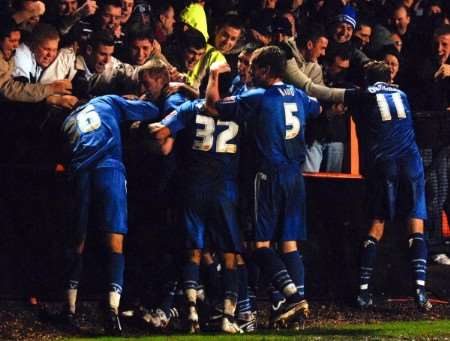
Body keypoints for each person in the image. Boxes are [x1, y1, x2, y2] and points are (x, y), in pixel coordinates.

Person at [205, 46, 321, 327]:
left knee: (258, 245)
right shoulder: (299, 95)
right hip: (295, 176)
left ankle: (292, 298)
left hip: (267, 175)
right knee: (289, 243)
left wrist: (212, 76)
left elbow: (212, 106)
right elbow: (318, 107)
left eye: (254, 67)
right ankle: (295, 312)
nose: (250, 72)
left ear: (266, 70)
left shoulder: (258, 96)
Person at [60, 63, 164, 334]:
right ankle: (112, 311)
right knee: (114, 242)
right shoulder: (108, 100)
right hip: (108, 166)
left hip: (80, 170)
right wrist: (140, 103)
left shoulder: (67, 119)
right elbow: (152, 110)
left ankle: (68, 309)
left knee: (77, 242)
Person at [345, 61, 432, 312]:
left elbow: (326, 93)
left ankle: (362, 291)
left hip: (385, 165)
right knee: (415, 225)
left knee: (377, 226)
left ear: (368, 79)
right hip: (412, 162)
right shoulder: (402, 93)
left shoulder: (363, 94)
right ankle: (420, 289)